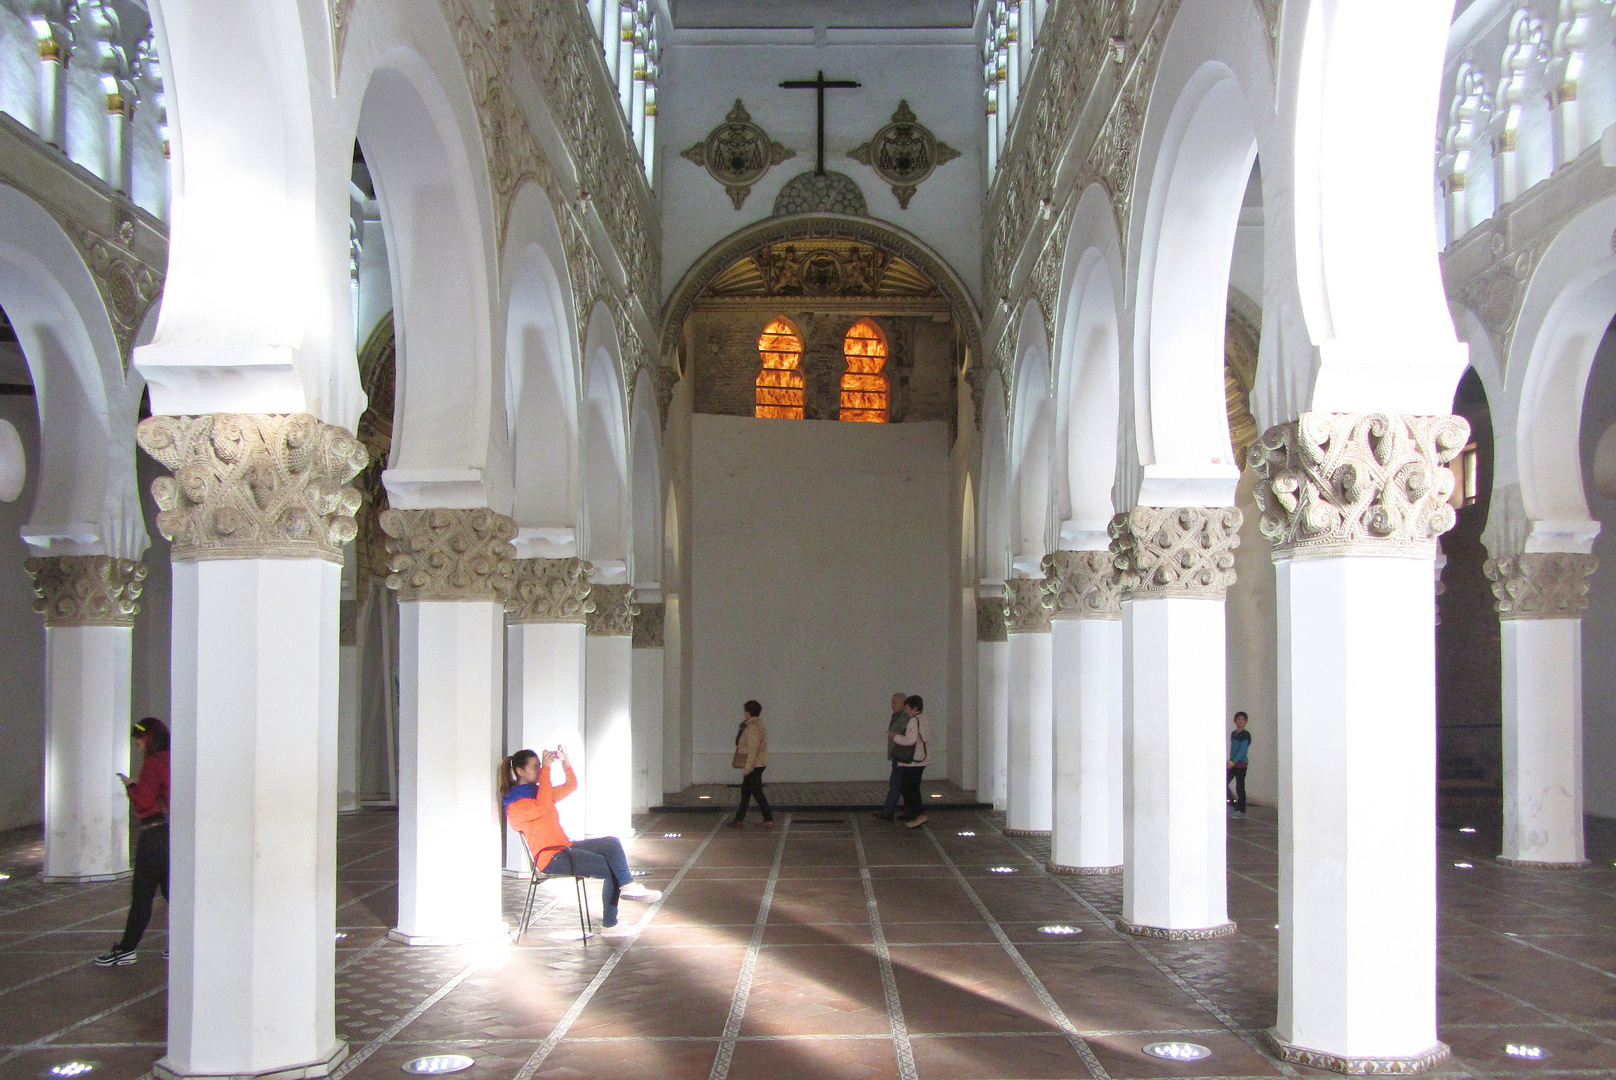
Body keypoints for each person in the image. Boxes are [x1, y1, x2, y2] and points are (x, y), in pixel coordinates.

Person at [501, 746, 661, 938]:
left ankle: (627, 885)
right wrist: (547, 769)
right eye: (534, 767)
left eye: (539, 766)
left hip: (564, 847)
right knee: (613, 868)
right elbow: (542, 806)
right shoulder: (516, 804)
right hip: (551, 858)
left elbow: (570, 787)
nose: (539, 770)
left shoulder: (537, 792)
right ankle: (611, 925)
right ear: (520, 771)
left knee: (611, 843)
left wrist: (566, 765)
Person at [96, 718, 171, 967]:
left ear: (148, 738)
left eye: (139, 739)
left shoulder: (153, 763)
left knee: (143, 894)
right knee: (174, 893)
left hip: (155, 834)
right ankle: (181, 944)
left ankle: (126, 949)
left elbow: (144, 800)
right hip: (175, 833)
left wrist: (131, 786)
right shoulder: (176, 758)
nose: (138, 745)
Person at [730, 700, 774, 828]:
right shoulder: (758, 723)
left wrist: (748, 768)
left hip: (755, 765)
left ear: (748, 712)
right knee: (746, 791)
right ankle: (739, 819)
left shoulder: (752, 727)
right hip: (758, 763)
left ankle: (768, 819)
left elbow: (753, 749)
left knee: (756, 792)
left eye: (745, 711)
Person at [892, 695, 930, 828]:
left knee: (909, 788)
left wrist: (895, 737)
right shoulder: (924, 718)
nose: (907, 712)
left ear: (914, 708)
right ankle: (912, 813)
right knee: (913, 787)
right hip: (922, 759)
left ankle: (918, 815)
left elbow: (910, 741)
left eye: (908, 709)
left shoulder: (914, 720)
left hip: (913, 760)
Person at [874, 692, 909, 821]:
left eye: (895, 702)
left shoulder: (904, 717)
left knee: (896, 784)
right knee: (900, 784)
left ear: (903, 704)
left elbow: (898, 731)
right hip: (898, 754)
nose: (892, 705)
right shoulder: (898, 716)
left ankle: (889, 811)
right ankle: (905, 811)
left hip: (901, 755)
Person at [1227, 711, 1251, 818]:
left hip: (1241, 764)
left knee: (1240, 787)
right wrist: (1230, 761)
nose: (1240, 721)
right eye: (1238, 719)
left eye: (1242, 719)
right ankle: (1232, 804)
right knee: (1224, 782)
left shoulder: (1246, 735)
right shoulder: (1233, 734)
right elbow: (1233, 749)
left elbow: (1242, 750)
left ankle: (1241, 810)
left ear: (1245, 722)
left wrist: (1234, 761)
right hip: (1232, 764)